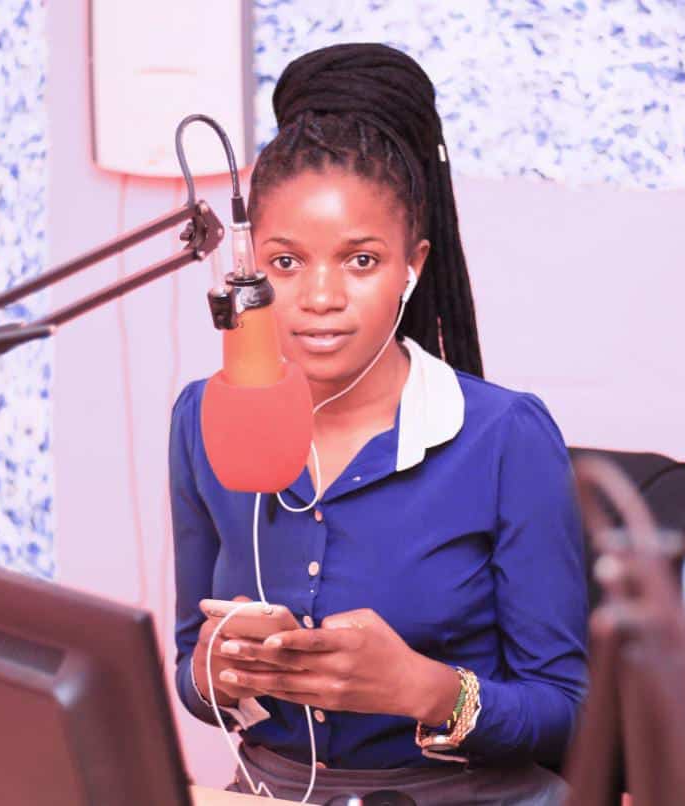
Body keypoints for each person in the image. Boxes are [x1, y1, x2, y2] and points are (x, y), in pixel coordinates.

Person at [169, 43, 587, 805]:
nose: (319, 297)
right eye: (287, 262)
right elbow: (188, 668)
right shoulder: (203, 418)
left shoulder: (504, 439)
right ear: (247, 269)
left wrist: (427, 690)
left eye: (359, 261)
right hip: (265, 791)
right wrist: (210, 672)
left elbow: (569, 711)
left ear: (411, 266)